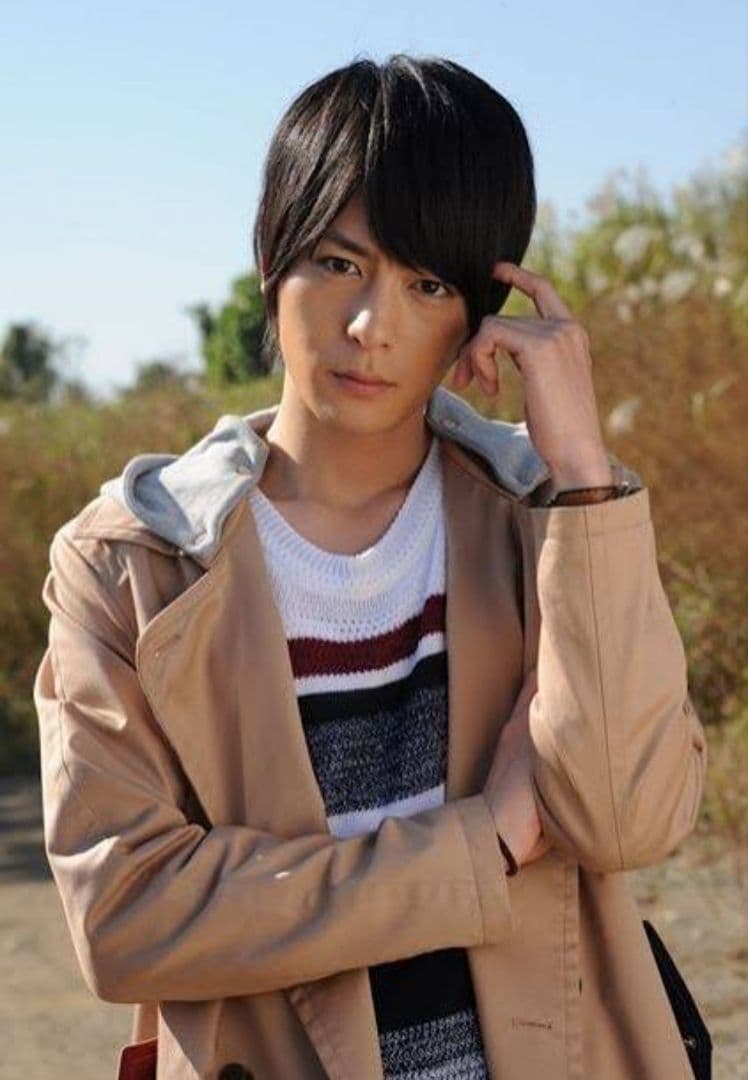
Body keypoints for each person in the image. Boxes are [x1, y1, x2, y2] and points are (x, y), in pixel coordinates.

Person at [34, 54, 708, 1080]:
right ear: (273, 260)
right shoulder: (133, 563)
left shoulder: (547, 521)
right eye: (339, 263)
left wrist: (580, 475)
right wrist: (478, 846)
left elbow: (626, 821)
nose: (369, 327)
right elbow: (124, 919)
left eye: (426, 283)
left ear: (479, 311)